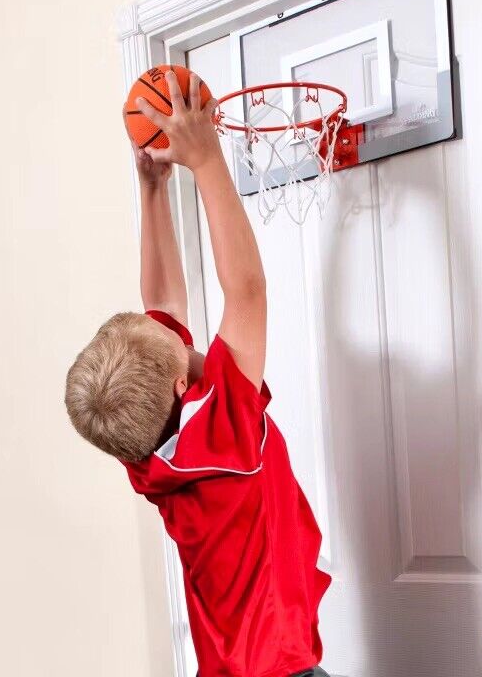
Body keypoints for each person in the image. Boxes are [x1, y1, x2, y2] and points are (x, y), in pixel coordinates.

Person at [65, 70, 330, 677]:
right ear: (185, 388)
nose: (175, 327)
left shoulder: (148, 450)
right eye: (173, 340)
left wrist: (153, 189)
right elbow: (248, 293)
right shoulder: (225, 438)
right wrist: (207, 161)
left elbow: (164, 302)